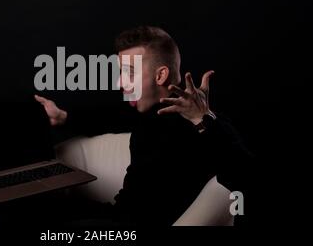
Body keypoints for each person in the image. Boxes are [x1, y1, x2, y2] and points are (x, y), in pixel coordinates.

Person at [33, 26, 252, 226]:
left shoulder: (197, 126)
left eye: (129, 72)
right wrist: (63, 117)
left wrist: (202, 117)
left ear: (160, 75)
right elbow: (109, 116)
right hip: (119, 217)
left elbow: (244, 173)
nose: (120, 83)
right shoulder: (149, 114)